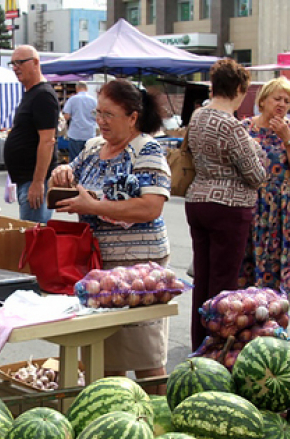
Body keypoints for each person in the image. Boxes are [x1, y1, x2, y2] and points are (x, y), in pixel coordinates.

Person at [49, 79, 172, 384]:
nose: (101, 121)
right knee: (104, 351)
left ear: (132, 117)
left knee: (146, 351)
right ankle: (112, 414)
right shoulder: (92, 148)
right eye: (98, 113)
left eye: (109, 115)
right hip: (97, 265)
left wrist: (95, 207)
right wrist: (59, 174)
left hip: (139, 269)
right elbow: (65, 183)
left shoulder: (147, 149)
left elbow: (150, 207)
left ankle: (156, 417)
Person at [185, 58, 268, 350]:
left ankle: (199, 343)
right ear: (239, 89)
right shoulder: (231, 125)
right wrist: (258, 152)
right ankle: (218, 349)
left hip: (198, 200)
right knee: (223, 285)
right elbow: (256, 175)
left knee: (203, 280)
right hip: (229, 206)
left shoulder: (198, 116)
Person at [238, 77, 290, 307]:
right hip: (254, 204)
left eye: (287, 100)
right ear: (262, 101)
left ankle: (276, 319)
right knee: (248, 266)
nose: (282, 104)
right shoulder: (245, 129)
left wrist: (287, 139)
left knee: (282, 268)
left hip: (285, 208)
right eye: (277, 98)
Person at [4, 44, 59, 223]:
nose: (15, 67)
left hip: (33, 181)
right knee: (30, 236)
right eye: (12, 63)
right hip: (26, 180)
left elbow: (47, 141)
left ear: (35, 63)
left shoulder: (43, 95)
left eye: (19, 62)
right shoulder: (32, 93)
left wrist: (37, 182)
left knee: (33, 238)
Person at [62, 81, 98, 160]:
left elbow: (66, 116)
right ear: (87, 88)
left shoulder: (72, 99)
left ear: (77, 88)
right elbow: (97, 117)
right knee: (89, 160)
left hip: (75, 134)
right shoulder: (94, 100)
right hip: (90, 134)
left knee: (75, 161)